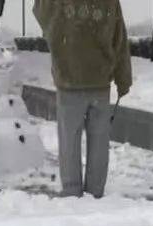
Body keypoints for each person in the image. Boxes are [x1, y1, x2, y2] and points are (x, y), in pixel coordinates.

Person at [31, 0, 130, 199]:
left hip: (69, 82)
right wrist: (123, 79)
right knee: (99, 142)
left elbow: (40, 11)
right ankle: (95, 192)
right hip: (100, 81)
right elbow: (120, 39)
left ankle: (71, 192)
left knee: (69, 142)